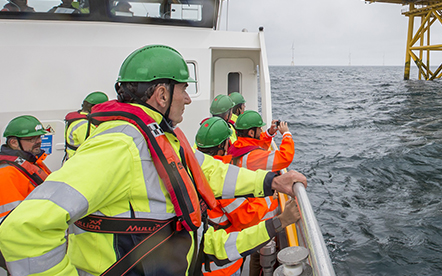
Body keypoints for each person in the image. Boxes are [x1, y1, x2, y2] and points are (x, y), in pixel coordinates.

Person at [0, 44, 307, 276]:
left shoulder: (155, 135)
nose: (187, 98)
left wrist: (271, 181)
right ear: (162, 93)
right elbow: (25, 229)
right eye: (184, 89)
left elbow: (204, 170)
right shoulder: (120, 145)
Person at [195, 117, 297, 276]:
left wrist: (269, 134)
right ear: (222, 146)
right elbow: (246, 218)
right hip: (223, 265)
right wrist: (271, 196)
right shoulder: (222, 178)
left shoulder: (195, 167)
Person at [0, 115, 51, 223]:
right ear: (14, 142)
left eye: (39, 137)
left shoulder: (32, 162)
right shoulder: (6, 173)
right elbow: (10, 220)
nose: (39, 141)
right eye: (32, 139)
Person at [230, 111, 295, 173]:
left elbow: (254, 145)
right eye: (259, 128)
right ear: (251, 133)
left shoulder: (236, 146)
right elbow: (285, 158)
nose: (261, 131)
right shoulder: (253, 157)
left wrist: (269, 133)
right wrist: (286, 134)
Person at [63, 91, 109, 161]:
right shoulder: (84, 125)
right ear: (93, 107)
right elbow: (93, 147)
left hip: (73, 161)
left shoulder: (78, 119)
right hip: (79, 163)